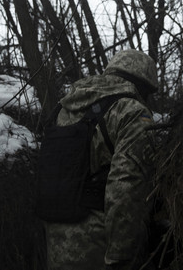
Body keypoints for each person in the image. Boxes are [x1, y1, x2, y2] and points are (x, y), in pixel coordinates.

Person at [45, 49, 158, 270]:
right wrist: (120, 256)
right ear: (142, 84)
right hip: (101, 248)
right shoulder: (131, 111)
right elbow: (126, 186)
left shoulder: (63, 109)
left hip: (57, 244)